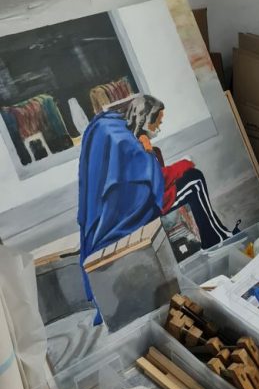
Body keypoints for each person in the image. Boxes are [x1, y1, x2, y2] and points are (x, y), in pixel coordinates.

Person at [78, 94, 240, 319]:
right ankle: (216, 239)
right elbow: (158, 179)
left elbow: (152, 176)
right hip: (141, 212)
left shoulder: (124, 137)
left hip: (140, 203)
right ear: (146, 118)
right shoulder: (129, 145)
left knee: (190, 179)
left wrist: (149, 149)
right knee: (193, 180)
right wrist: (182, 163)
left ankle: (217, 235)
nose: (159, 127)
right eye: (158, 122)